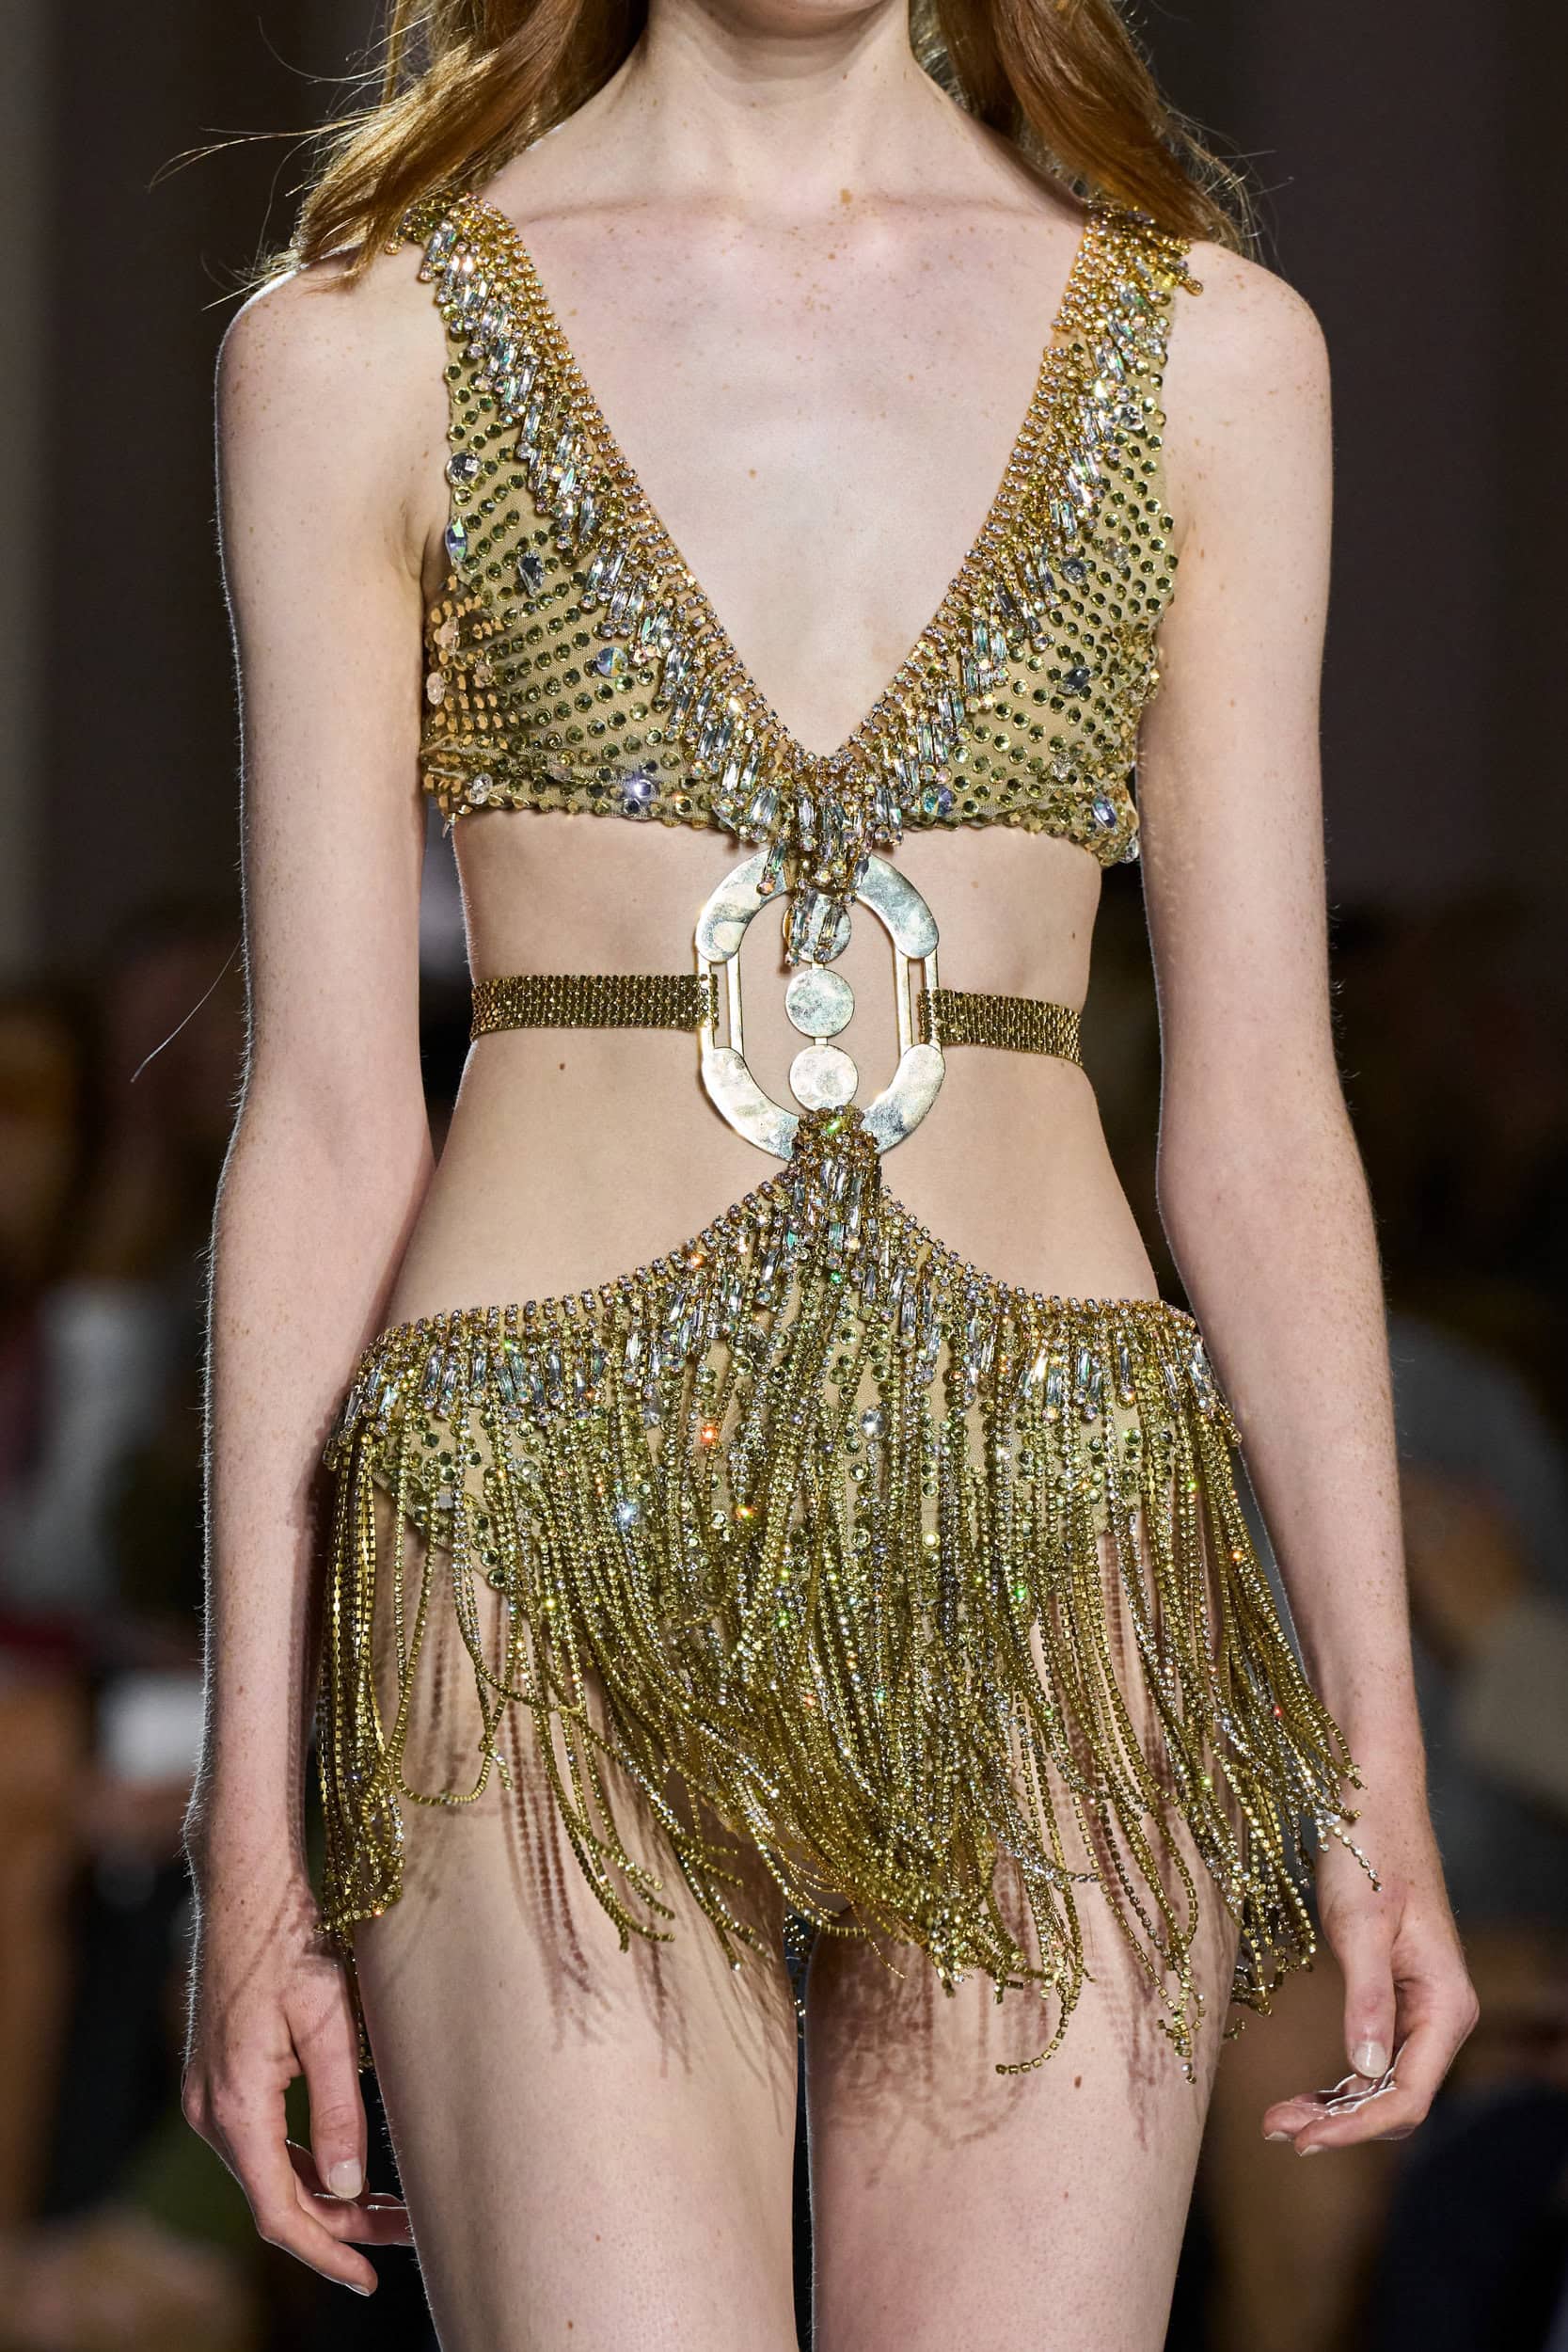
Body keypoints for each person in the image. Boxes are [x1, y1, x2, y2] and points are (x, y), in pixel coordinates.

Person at [179, 0, 1479, 2342]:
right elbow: (331, 1117)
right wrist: (248, 1829)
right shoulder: (361, 344)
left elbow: (1265, 1107)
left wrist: (1380, 1745)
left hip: (1063, 1519)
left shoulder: (1209, 353)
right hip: (529, 1533)